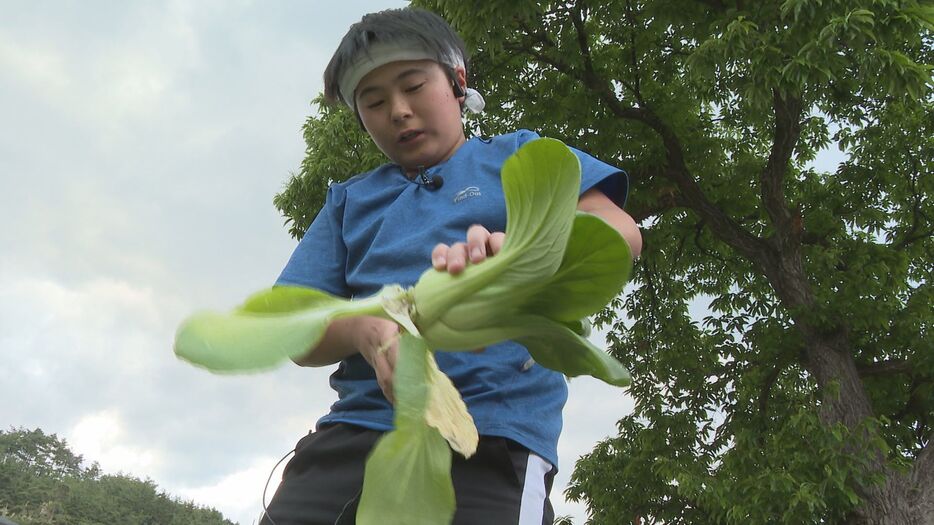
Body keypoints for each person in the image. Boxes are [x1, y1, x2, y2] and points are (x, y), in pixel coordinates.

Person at [262, 7, 642, 525]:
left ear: (458, 82)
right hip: (349, 436)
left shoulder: (517, 156)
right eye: (373, 102)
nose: (398, 110)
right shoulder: (349, 202)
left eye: (414, 85)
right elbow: (294, 327)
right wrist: (366, 329)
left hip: (492, 441)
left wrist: (522, 251)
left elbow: (619, 232)